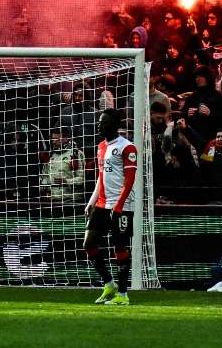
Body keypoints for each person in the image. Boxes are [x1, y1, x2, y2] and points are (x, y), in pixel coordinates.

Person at [83, 108, 139, 306]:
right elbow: (101, 177)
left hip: (121, 205)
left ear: (115, 125)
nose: (100, 125)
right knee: (89, 244)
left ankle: (123, 295)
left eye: (104, 122)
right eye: (99, 122)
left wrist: (119, 205)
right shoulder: (100, 147)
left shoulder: (128, 148)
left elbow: (130, 181)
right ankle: (109, 283)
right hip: (102, 204)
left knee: (120, 247)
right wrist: (91, 201)